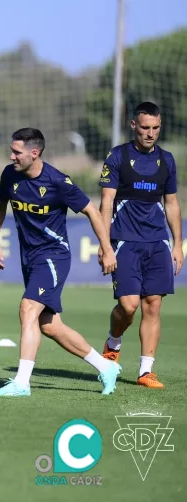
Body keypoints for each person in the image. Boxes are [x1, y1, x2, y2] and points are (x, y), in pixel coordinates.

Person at [0, 127, 121, 397]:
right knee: (49, 325)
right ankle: (105, 367)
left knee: (27, 309)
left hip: (53, 256)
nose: (11, 156)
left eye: (17, 152)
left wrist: (107, 249)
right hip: (30, 257)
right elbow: (0, 204)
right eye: (12, 150)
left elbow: (92, 211)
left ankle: (22, 383)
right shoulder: (9, 175)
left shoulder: (58, 182)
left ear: (34, 153)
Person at [98, 101, 183, 388]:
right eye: (145, 127)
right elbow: (106, 201)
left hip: (157, 241)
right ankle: (113, 343)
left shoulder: (167, 160)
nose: (150, 133)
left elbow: (171, 204)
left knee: (153, 305)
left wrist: (177, 244)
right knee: (129, 305)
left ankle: (146, 371)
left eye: (155, 128)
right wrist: (105, 244)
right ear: (134, 125)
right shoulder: (118, 156)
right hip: (125, 241)